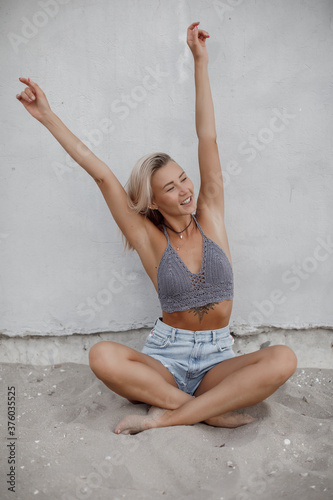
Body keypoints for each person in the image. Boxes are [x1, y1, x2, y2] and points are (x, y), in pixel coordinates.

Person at [16, 21, 297, 435]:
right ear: (153, 201)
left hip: (217, 361)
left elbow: (208, 137)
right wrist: (47, 117)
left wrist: (200, 62)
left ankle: (173, 414)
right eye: (171, 186)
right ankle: (209, 412)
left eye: (184, 178)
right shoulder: (148, 238)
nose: (185, 189)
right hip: (165, 361)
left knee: (284, 359)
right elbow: (103, 177)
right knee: (102, 356)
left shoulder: (212, 214)